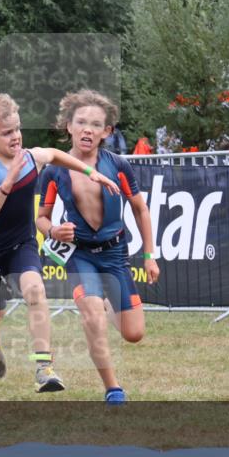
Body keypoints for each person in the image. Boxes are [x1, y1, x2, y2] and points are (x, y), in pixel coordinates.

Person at [0, 92, 119, 393]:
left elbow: (54, 154)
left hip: (22, 245)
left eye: (18, 129)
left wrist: (92, 173)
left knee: (36, 291)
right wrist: (8, 182)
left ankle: (44, 367)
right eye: (7, 132)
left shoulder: (30, 158)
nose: (16, 136)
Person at [36, 90, 160, 405]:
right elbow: (41, 218)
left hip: (115, 253)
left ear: (106, 132)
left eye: (95, 125)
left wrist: (149, 256)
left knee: (133, 334)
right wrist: (53, 230)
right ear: (68, 126)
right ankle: (113, 388)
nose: (87, 130)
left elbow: (140, 209)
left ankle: (105, 304)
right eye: (81, 122)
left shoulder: (117, 164)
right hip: (79, 255)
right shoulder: (54, 170)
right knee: (92, 317)